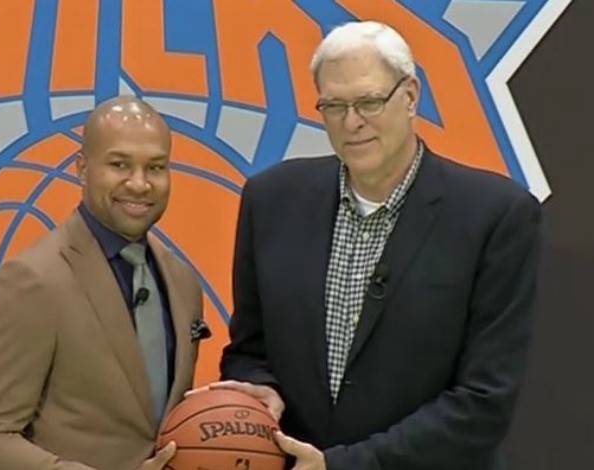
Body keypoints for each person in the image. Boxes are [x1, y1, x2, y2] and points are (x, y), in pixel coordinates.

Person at [217, 21, 541, 469]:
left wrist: (345, 465)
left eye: (369, 102)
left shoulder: (495, 215)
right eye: (334, 105)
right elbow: (248, 353)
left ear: (410, 96)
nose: (352, 123)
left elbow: (483, 403)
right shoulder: (270, 200)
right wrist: (260, 393)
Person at [0, 97, 204, 470]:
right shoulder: (33, 280)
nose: (139, 184)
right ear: (82, 168)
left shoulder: (183, 283)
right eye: (119, 164)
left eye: (155, 167)